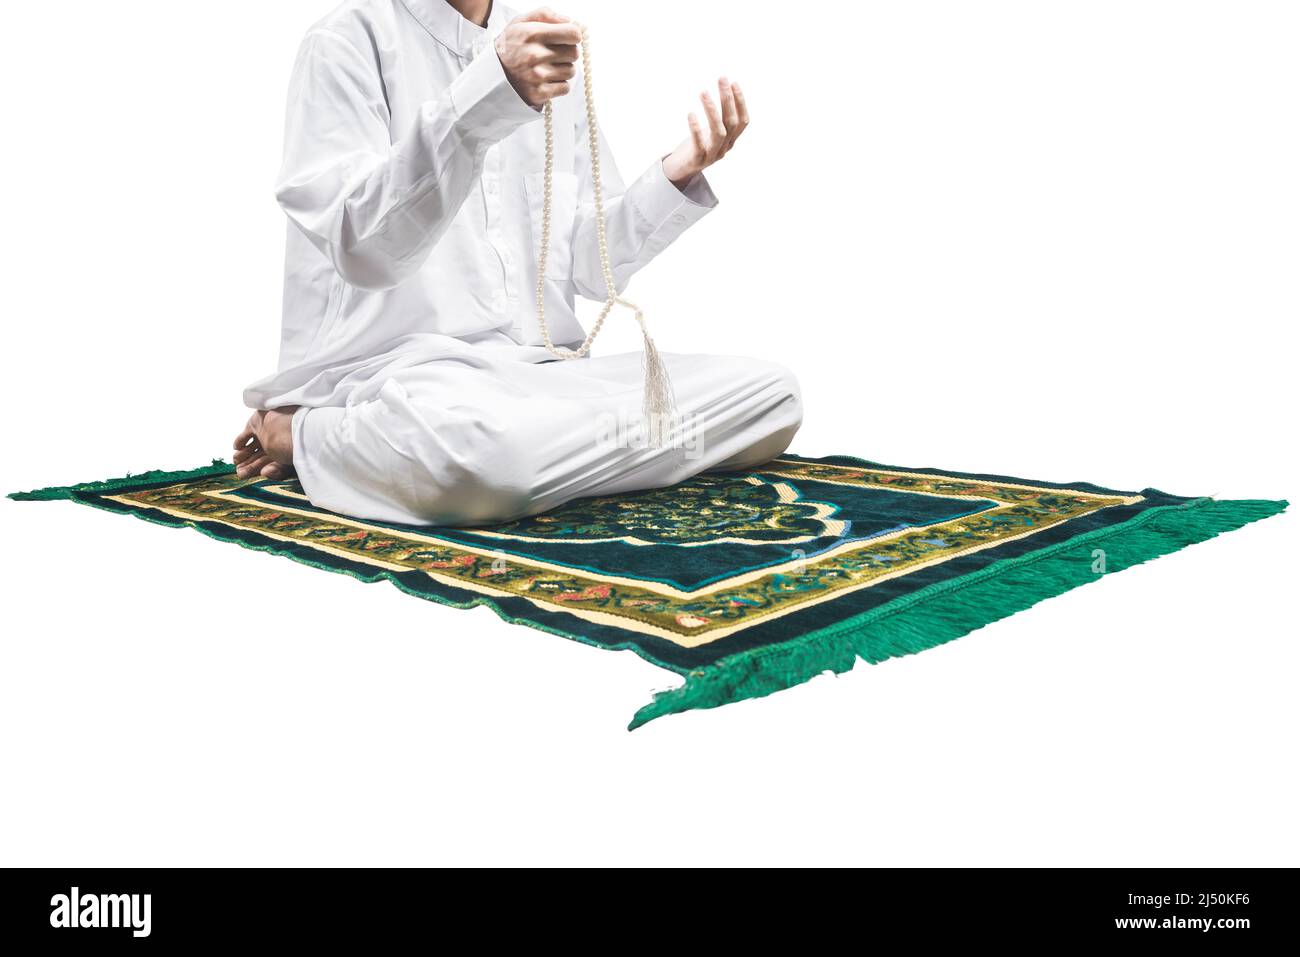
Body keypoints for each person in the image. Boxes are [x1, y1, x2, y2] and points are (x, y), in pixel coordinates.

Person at [235, 0, 802, 526]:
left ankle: (537, 466)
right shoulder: (346, 42)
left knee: (772, 396)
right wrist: (490, 92)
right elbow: (364, 250)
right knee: (484, 454)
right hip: (398, 383)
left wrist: (674, 174)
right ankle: (305, 434)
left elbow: (588, 266)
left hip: (538, 379)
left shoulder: (542, 40)